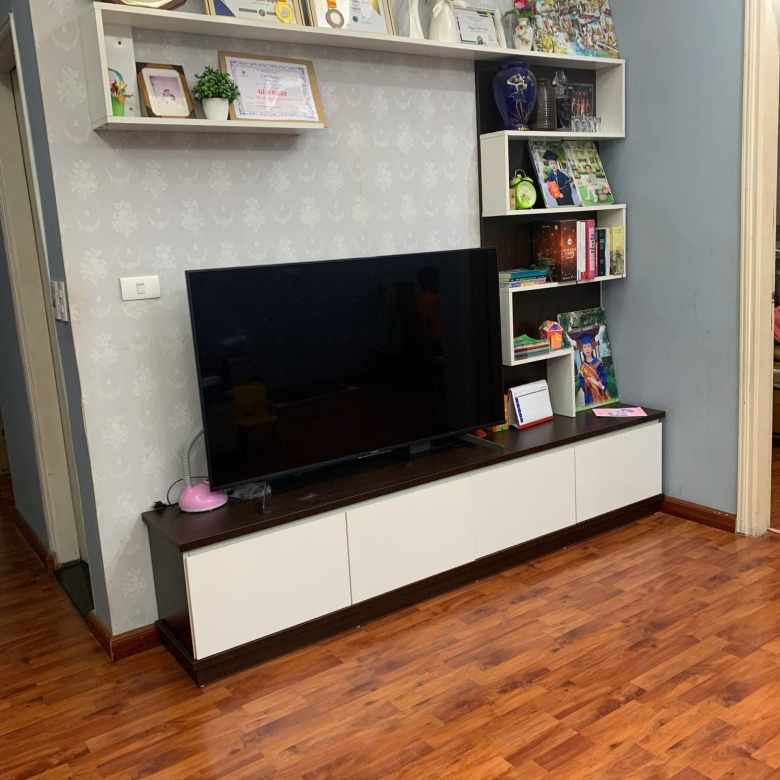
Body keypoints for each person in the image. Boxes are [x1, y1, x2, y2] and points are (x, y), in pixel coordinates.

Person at [577, 333, 610, 406]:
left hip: (598, 390)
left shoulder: (598, 363)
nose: (587, 349)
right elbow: (581, 380)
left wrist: (600, 382)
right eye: (585, 347)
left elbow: (603, 375)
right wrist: (587, 381)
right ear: (582, 350)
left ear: (592, 348)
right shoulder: (582, 367)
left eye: (589, 346)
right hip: (590, 395)